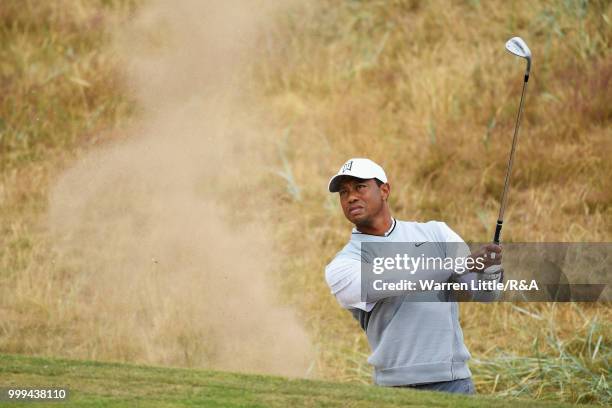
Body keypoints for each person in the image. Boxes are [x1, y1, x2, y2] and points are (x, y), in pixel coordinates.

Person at [324, 158, 504, 395]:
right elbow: (394, 279)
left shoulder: (437, 232)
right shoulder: (342, 265)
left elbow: (483, 295)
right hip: (392, 388)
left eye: (360, 187)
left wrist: (491, 271)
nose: (351, 197)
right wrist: (462, 263)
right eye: (344, 192)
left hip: (451, 382)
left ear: (385, 190)